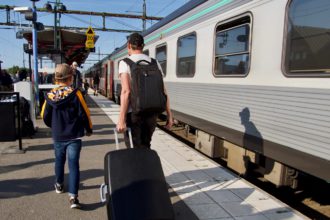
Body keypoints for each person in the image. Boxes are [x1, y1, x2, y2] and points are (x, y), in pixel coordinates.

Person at [41, 63, 93, 209]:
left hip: (58, 135)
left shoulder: (50, 95)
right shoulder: (76, 94)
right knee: (73, 164)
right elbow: (85, 113)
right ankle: (73, 197)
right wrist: (89, 129)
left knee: (59, 160)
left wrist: (54, 126)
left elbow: (44, 115)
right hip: (74, 136)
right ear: (70, 78)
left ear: (56, 78)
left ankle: (58, 184)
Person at [116, 32, 173, 148]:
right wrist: (169, 115)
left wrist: (121, 119)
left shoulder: (125, 63)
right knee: (146, 146)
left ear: (128, 46)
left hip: (134, 115)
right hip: (152, 114)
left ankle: (137, 166)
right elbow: (164, 92)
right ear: (143, 46)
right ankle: (146, 166)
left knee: (134, 151)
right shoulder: (155, 62)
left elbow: (126, 91)